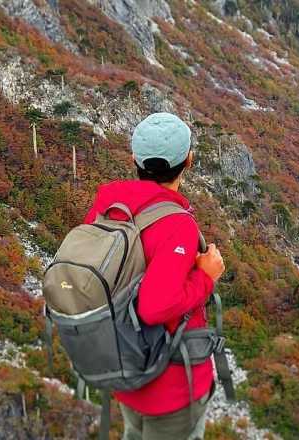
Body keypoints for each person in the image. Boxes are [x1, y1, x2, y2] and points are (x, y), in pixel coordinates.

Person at [82, 112, 225, 439]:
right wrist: (206, 275)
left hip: (125, 368)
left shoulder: (108, 206)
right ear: (189, 160)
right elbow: (154, 307)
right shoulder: (178, 225)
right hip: (169, 384)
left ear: (134, 158)